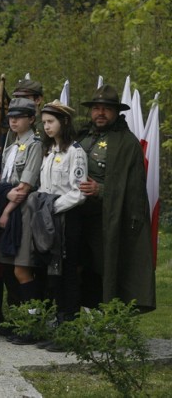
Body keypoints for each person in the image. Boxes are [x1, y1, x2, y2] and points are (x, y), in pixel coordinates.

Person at [76, 85, 155, 312]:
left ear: (116, 112)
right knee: (77, 265)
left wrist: (100, 189)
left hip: (107, 218)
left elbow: (133, 188)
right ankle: (74, 317)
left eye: (106, 109)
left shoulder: (126, 143)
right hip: (75, 215)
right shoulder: (82, 136)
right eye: (96, 108)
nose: (100, 113)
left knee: (104, 267)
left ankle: (106, 319)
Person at [33, 100, 87, 350]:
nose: (47, 127)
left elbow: (78, 192)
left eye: (51, 122)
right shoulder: (49, 151)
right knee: (50, 274)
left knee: (66, 274)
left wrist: (52, 207)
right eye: (44, 122)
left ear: (64, 122)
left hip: (66, 218)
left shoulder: (75, 152)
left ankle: (70, 330)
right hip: (47, 219)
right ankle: (55, 326)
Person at [0, 98, 43, 345]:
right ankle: (20, 320)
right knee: (10, 269)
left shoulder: (35, 145)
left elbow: (25, 186)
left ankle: (34, 324)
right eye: (12, 116)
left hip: (23, 212)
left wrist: (5, 211)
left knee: (23, 268)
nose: (14, 120)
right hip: (9, 213)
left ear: (32, 119)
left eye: (20, 116)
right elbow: (4, 182)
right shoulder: (11, 147)